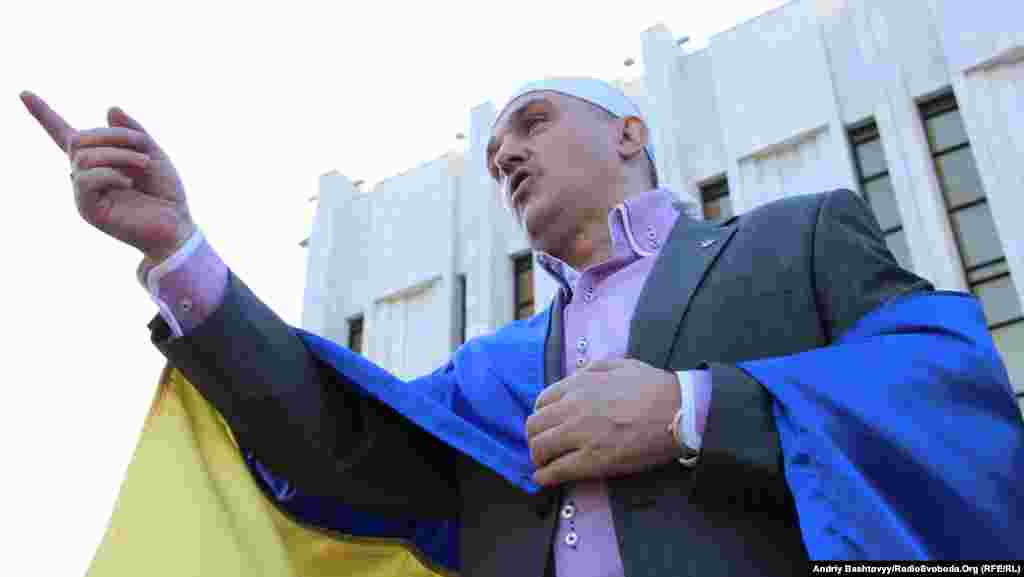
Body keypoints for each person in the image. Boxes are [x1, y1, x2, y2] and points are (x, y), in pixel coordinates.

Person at [21, 78, 1023, 576]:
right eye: (496, 150)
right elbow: (337, 442)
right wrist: (179, 251)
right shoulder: (491, 371)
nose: (504, 155)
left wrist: (691, 409)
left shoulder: (794, 239)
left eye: (532, 122)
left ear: (629, 133)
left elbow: (948, 388)